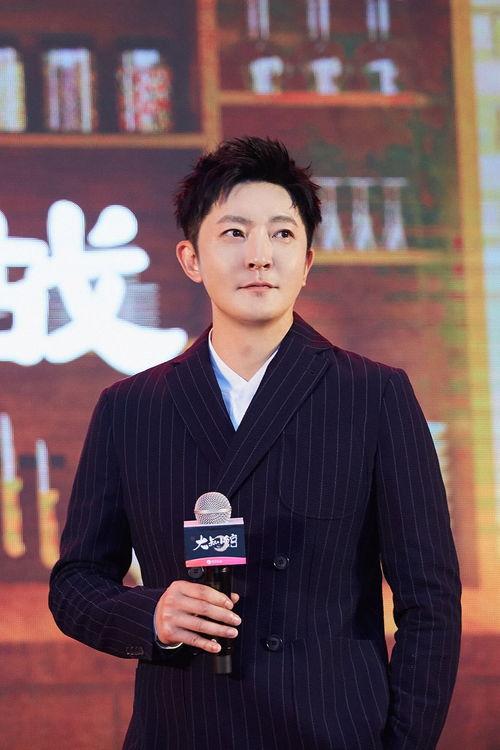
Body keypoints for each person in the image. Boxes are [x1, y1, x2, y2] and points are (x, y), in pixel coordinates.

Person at [49, 136, 461, 750]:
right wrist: (151, 615)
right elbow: (76, 584)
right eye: (235, 233)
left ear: (307, 260)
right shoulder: (130, 408)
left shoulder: (375, 395)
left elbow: (431, 601)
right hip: (182, 731)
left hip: (331, 731)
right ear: (191, 258)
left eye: (282, 234)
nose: (260, 256)